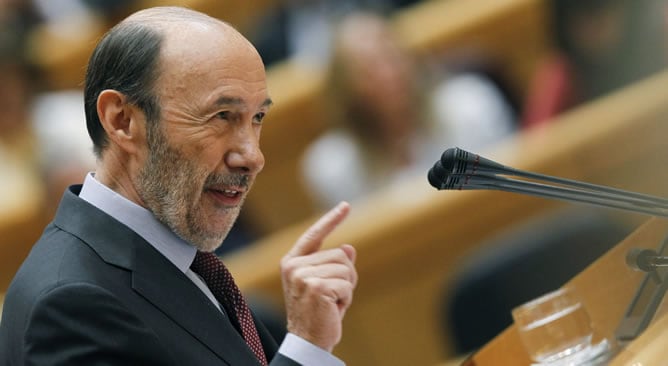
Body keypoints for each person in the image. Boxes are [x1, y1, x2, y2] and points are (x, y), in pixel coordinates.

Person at [0, 6, 358, 366]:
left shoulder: (179, 259)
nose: (253, 156)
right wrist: (306, 348)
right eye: (221, 116)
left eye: (257, 118)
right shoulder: (69, 305)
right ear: (122, 121)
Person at [301, 12, 517, 208]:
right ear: (345, 90)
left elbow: (514, 188)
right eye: (368, 71)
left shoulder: (471, 104)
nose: (389, 75)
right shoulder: (332, 167)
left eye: (391, 57)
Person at [521, 0, 668, 127]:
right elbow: (538, 147)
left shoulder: (660, 38)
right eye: (582, 18)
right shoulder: (561, 78)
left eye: (603, 11)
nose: (596, 28)